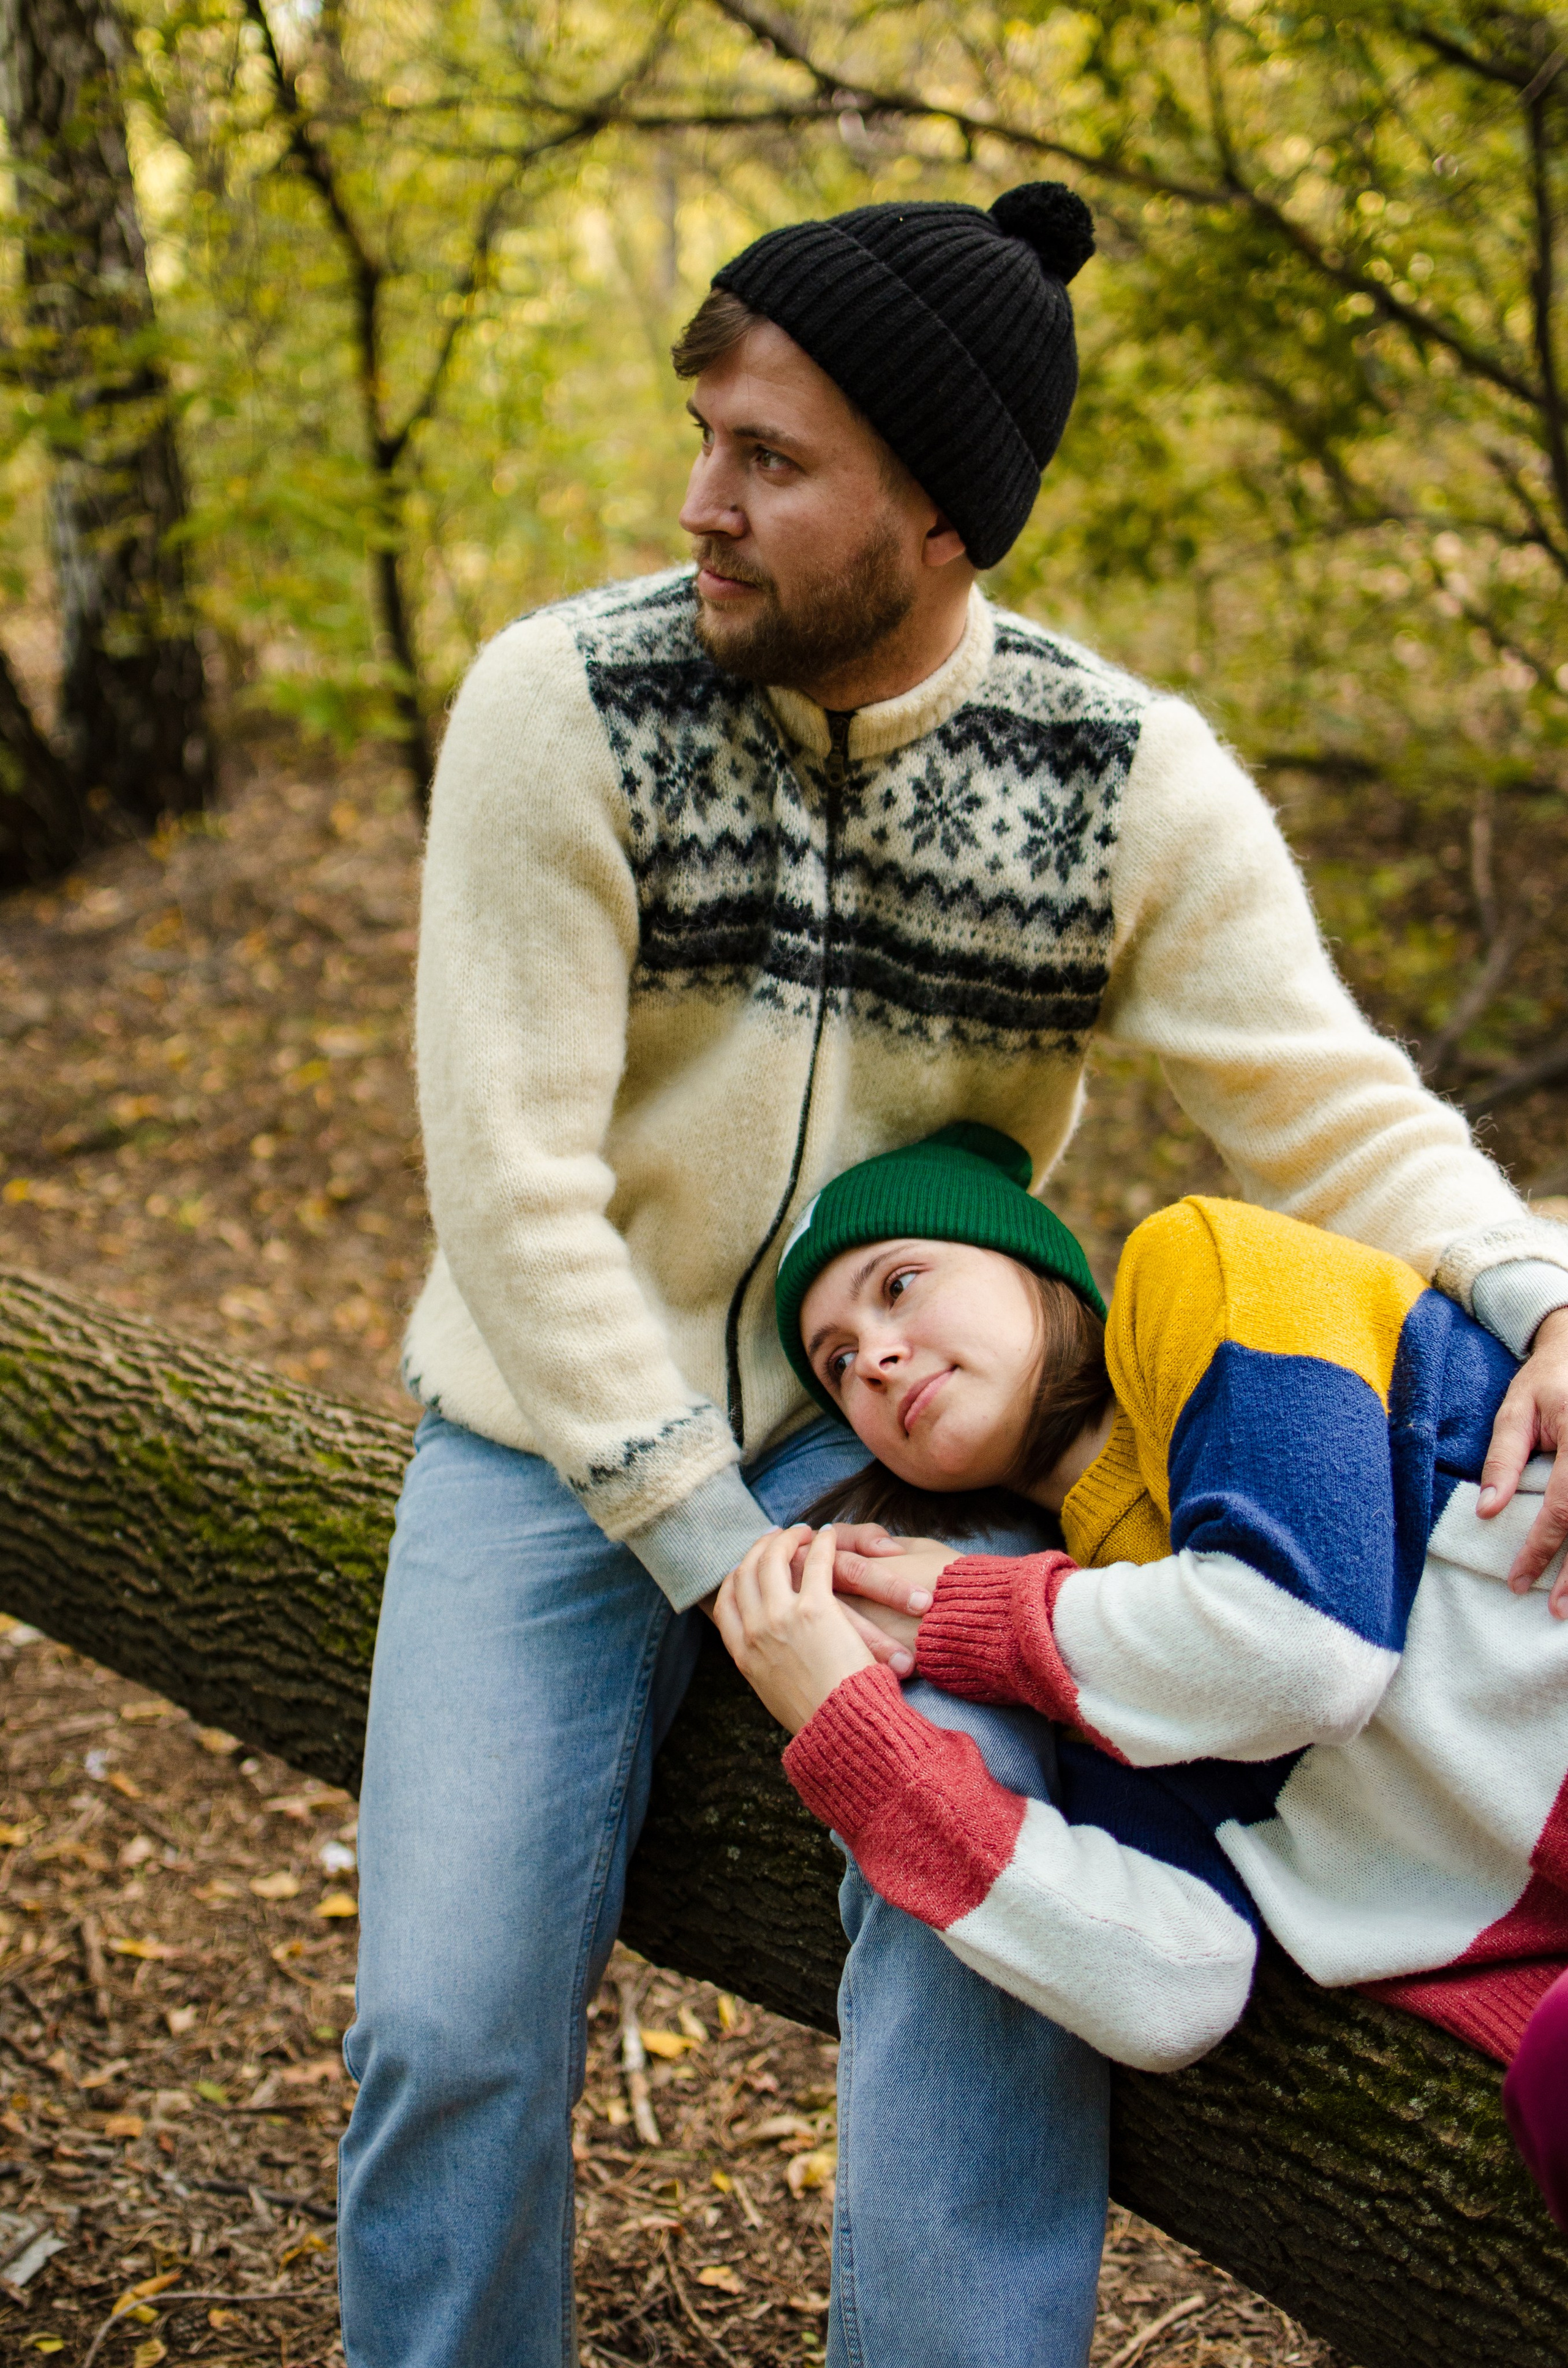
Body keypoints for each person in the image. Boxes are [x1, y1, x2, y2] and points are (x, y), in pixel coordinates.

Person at [339, 178, 1568, 2368]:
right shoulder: (563, 706)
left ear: (938, 517)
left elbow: (1331, 1106)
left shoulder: (1124, 778)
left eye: (773, 460)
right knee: (448, 2021)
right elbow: (514, 1190)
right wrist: (713, 1546)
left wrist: (1544, 1291)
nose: (700, 501)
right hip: (546, 1442)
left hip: (894, 1441)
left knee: (985, 1965)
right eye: (704, 431)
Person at [718, 1125, 1568, 2143]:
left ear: (1034, 1265)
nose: (878, 1359)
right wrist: (855, 1739)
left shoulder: (1209, 1274)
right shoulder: (1102, 1670)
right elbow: (1170, 1982)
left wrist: (960, 1609)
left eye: (899, 1285)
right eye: (840, 1362)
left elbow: (1300, 1649)